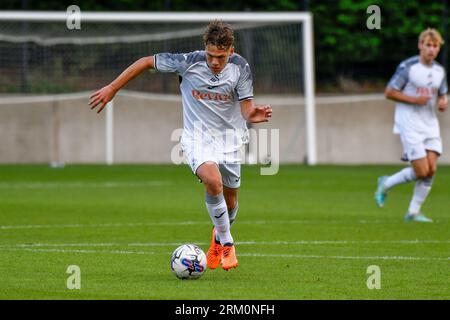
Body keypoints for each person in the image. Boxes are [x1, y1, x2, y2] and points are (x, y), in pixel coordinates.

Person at [89, 20, 272, 270]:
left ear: (231, 50)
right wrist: (112, 88)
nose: (214, 62)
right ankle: (228, 243)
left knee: (230, 204)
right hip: (197, 138)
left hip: (230, 140)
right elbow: (146, 61)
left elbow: (247, 110)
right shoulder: (188, 62)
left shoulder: (240, 67)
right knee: (213, 181)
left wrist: (254, 115)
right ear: (204, 49)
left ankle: (217, 239)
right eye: (210, 55)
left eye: (220, 56)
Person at [374, 28, 448, 222]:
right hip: (409, 124)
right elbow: (389, 92)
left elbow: (443, 92)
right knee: (421, 171)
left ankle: (413, 212)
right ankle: (386, 184)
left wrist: (443, 101)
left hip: (430, 124)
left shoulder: (440, 71)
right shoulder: (408, 67)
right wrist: (414, 100)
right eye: (428, 45)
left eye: (435, 46)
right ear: (420, 46)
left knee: (431, 170)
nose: (431, 49)